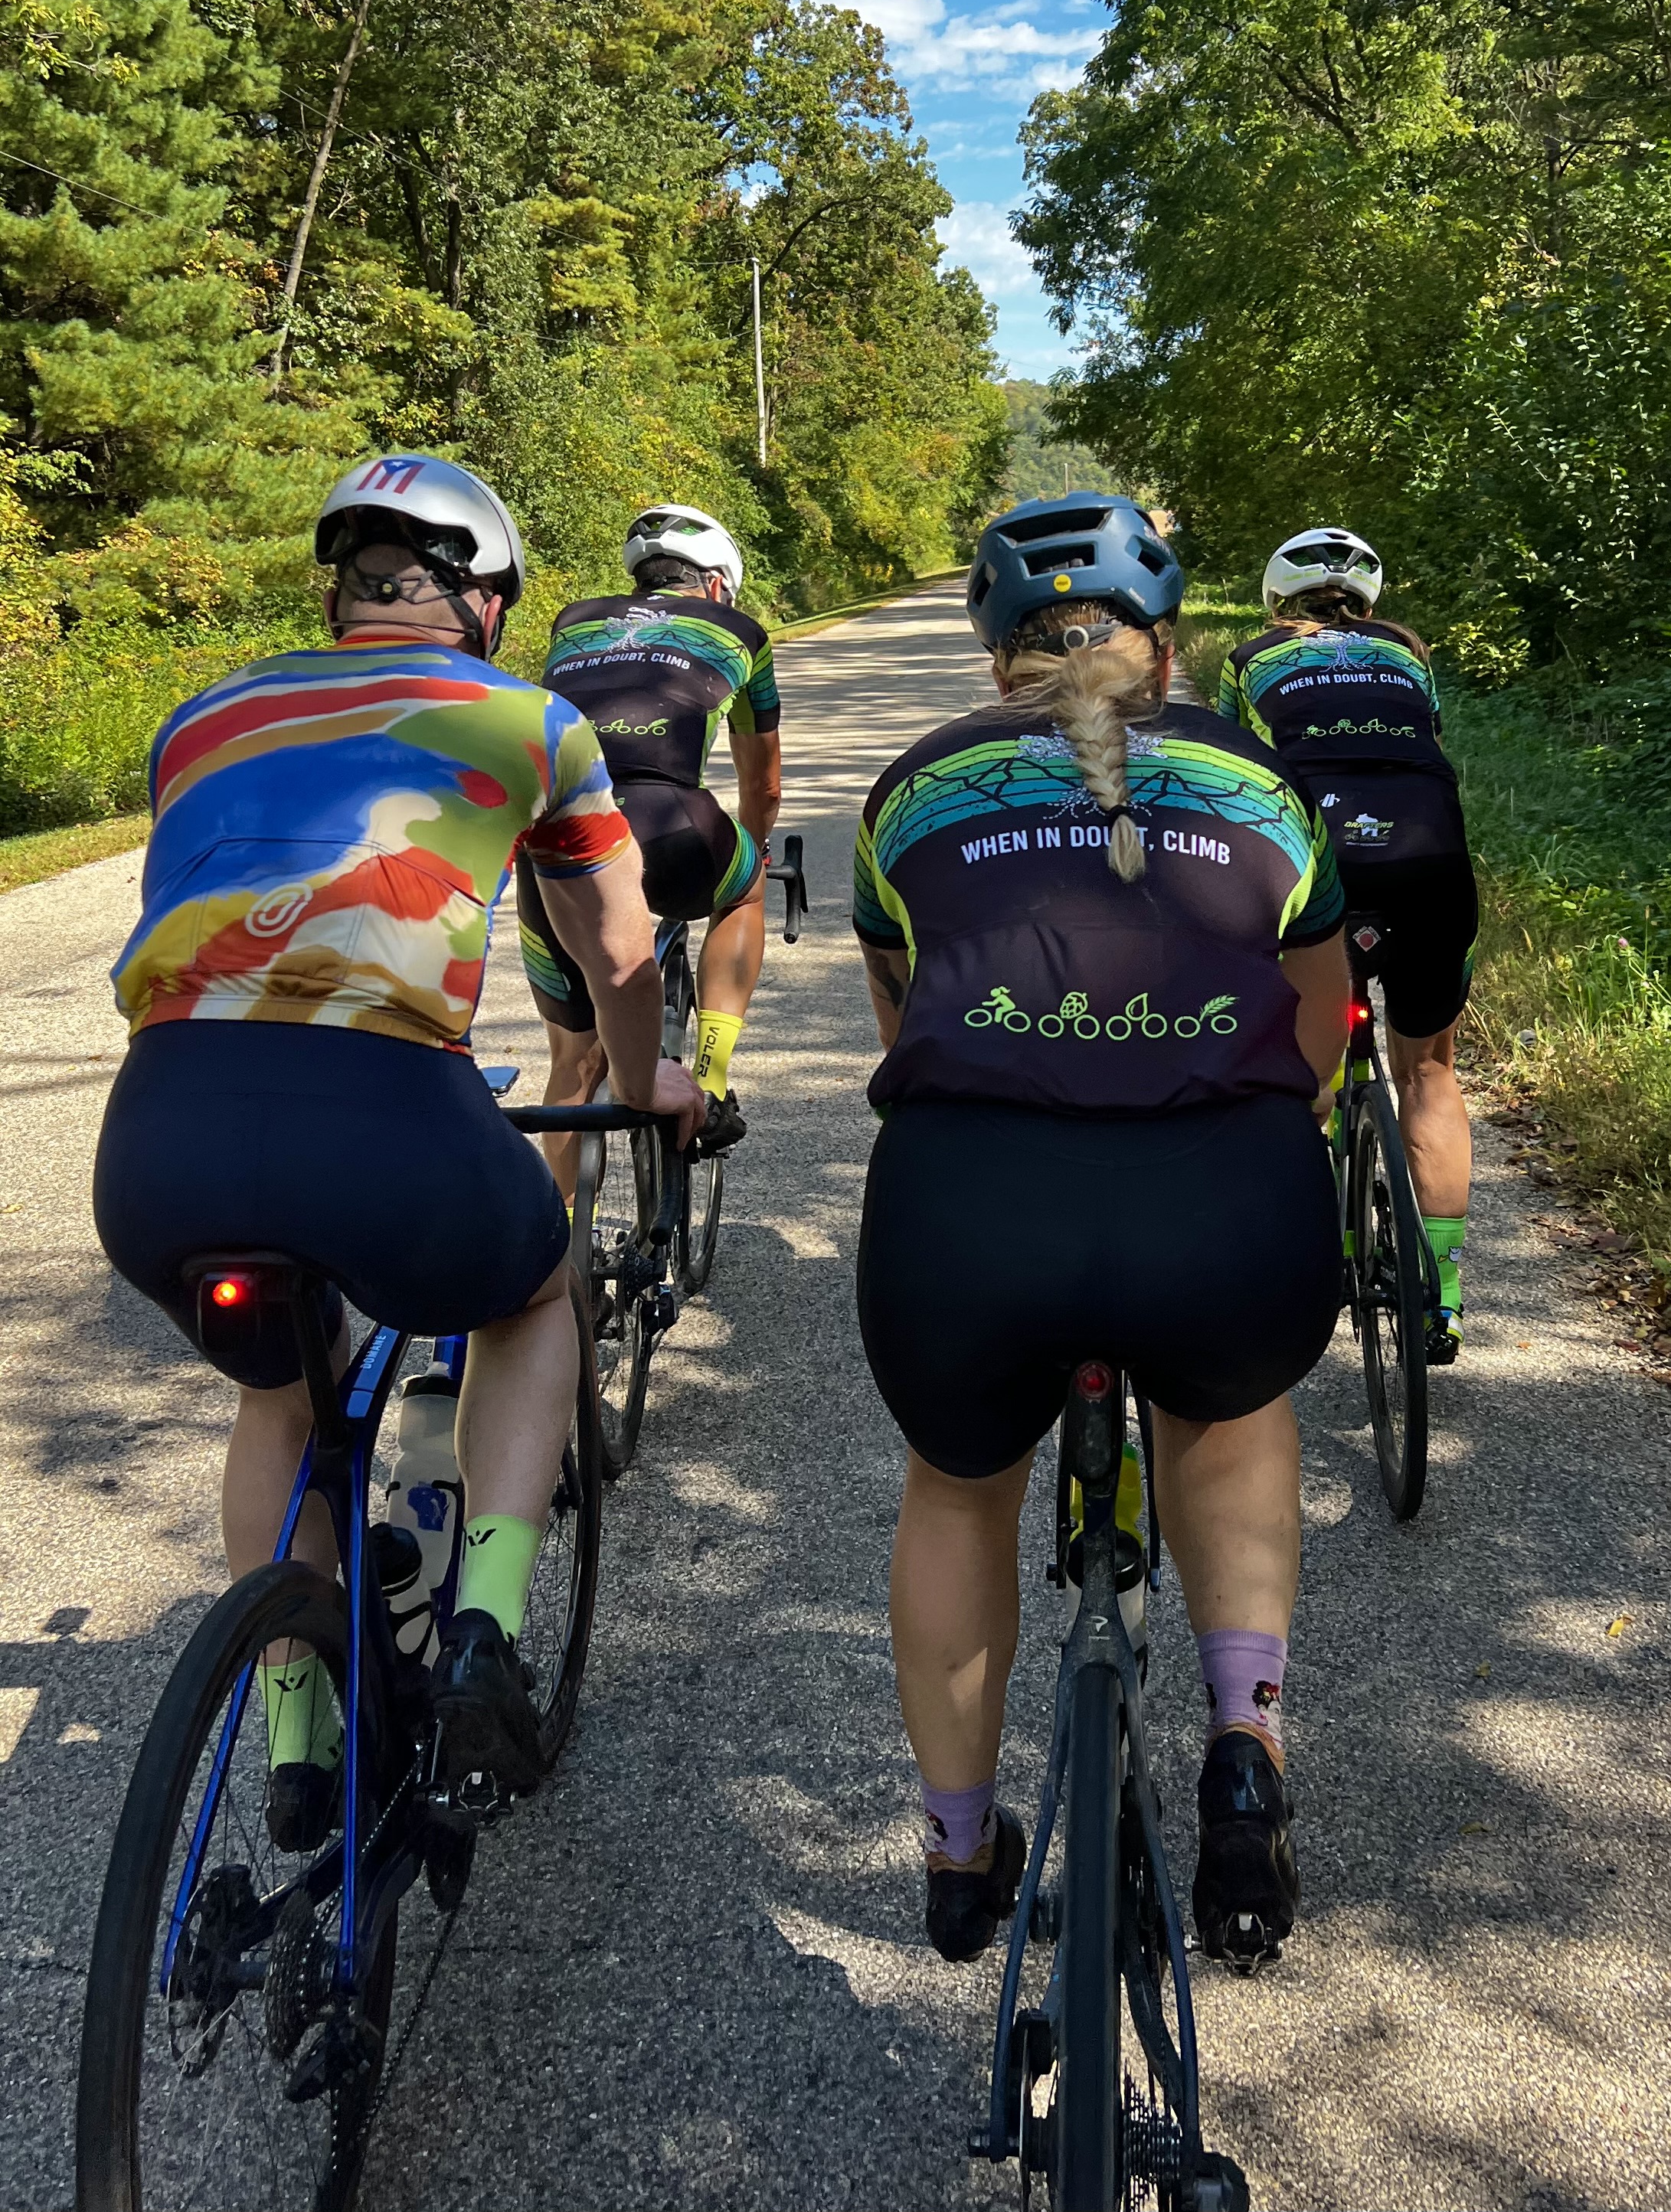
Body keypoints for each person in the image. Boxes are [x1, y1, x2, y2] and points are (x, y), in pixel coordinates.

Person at [93, 454, 703, 1839]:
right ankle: (483, 1634)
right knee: (531, 1294)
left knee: (279, 1394)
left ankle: (295, 1745)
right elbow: (616, 949)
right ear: (487, 603)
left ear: (340, 593)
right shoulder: (529, 722)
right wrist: (636, 1078)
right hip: (378, 1109)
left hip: (162, 1137)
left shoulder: (199, 720)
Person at [850, 492, 1349, 1970]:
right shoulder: (1258, 782)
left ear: (993, 655)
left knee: (957, 1490)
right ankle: (1243, 1750)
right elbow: (1318, 1023)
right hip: (1219, 1200)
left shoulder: (909, 792)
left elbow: (902, 1022)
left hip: (970, 1212)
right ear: (1166, 647)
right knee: (1228, 1413)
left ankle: (956, 1853)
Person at [1217, 528, 1477, 1359]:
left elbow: (1231, 773)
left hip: (1315, 863)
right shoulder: (1406, 650)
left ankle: (1306, 1255)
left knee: (1305, 1068)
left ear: (1276, 600)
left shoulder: (1249, 658)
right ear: (1368, 599)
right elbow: (1429, 745)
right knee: (1429, 1072)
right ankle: (1443, 1297)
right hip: (1430, 859)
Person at [513, 505, 780, 1178]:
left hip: (557, 839)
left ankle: (561, 1230)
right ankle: (710, 1080)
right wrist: (750, 849)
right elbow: (765, 784)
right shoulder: (742, 632)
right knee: (745, 890)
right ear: (716, 585)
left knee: (574, 1058)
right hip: (675, 825)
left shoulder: (574, 621)